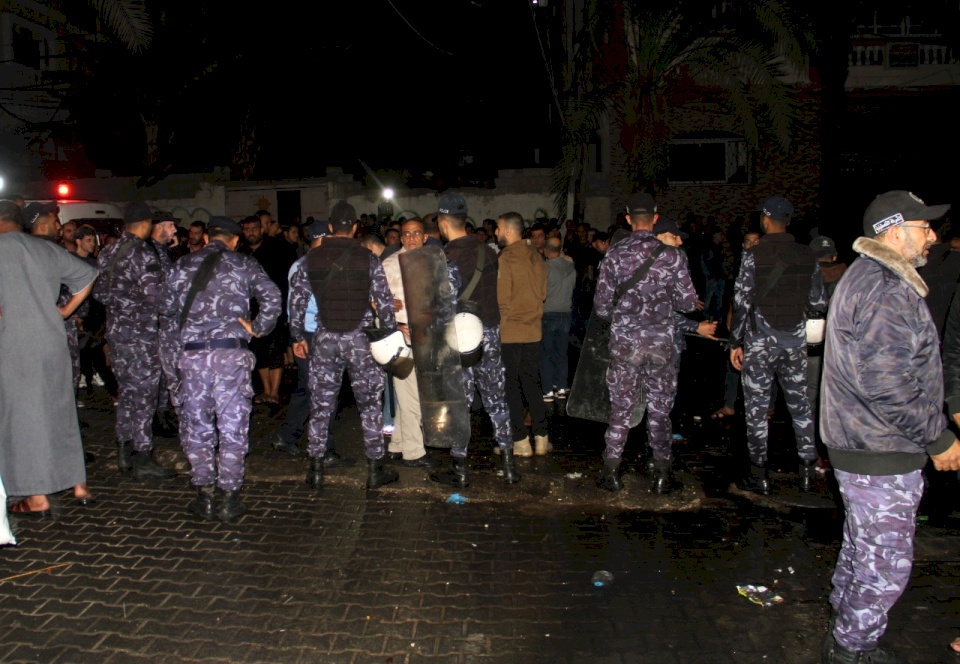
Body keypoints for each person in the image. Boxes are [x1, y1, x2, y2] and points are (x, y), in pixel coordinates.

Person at [821, 190, 960, 664]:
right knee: (884, 564)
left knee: (864, 549)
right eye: (925, 228)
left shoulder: (873, 279)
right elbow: (887, 383)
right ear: (896, 231)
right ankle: (852, 650)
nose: (933, 236)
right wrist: (938, 437)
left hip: (865, 442)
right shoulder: (884, 289)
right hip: (879, 445)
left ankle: (845, 628)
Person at [159, 216, 281, 523]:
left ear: (208, 237)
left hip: (192, 357)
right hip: (230, 355)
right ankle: (229, 498)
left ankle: (205, 496)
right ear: (235, 240)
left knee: (197, 425)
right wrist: (259, 327)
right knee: (232, 425)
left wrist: (173, 365)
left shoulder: (182, 265)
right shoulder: (244, 263)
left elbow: (167, 316)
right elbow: (273, 296)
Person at [288, 201, 399, 491]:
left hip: (325, 336)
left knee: (321, 403)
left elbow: (296, 301)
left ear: (329, 227)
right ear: (353, 227)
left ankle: (315, 469)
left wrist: (297, 336)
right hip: (359, 337)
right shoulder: (367, 258)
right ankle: (375, 469)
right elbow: (384, 302)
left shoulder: (311, 258)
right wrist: (386, 332)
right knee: (370, 404)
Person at [593, 193, 698, 494]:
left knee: (620, 409)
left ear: (627, 219)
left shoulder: (614, 254)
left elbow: (601, 307)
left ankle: (611, 471)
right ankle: (663, 473)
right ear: (654, 218)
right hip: (661, 345)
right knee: (660, 410)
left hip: (626, 343)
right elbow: (689, 302)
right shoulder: (672, 256)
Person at [0, 200, 97, 515]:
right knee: (61, 412)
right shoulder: (47, 249)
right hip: (53, 342)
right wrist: (66, 310)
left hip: (14, 344)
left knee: (22, 418)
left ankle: (36, 496)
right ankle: (79, 484)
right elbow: (87, 274)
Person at [729, 195, 826, 495]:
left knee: (756, 410)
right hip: (794, 341)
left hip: (760, 341)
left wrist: (735, 341)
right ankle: (807, 471)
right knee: (800, 408)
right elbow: (819, 301)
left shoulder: (753, 256)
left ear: (766, 219)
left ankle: (760, 474)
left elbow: (741, 301)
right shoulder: (808, 256)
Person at [438, 193, 519, 483]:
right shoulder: (490, 251)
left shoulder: (447, 258)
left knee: (461, 401)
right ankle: (509, 464)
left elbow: (445, 305)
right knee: (496, 398)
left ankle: (459, 468)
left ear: (443, 222)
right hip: (491, 332)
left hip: (462, 335)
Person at [94, 201, 177, 481]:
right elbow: (158, 298)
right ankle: (143, 456)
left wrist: (121, 305)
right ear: (146, 224)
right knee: (144, 397)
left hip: (116, 333)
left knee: (127, 394)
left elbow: (98, 293)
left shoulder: (109, 250)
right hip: (141, 335)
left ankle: (123, 449)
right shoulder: (142, 253)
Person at [273, 220, 353, 468]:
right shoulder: (305, 266)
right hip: (310, 335)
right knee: (324, 392)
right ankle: (323, 449)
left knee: (308, 389)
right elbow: (294, 307)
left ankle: (286, 436)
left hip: (318, 334)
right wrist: (297, 339)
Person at [381, 218, 440, 469]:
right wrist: (392, 320)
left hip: (426, 335)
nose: (412, 238)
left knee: (409, 393)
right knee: (411, 394)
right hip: (401, 338)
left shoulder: (432, 260)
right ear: (401, 238)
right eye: (407, 234)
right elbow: (373, 302)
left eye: (417, 233)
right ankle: (414, 451)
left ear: (425, 236)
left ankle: (398, 444)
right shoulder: (390, 264)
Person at [497, 211, 550, 456]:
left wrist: (503, 324)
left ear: (509, 230)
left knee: (512, 386)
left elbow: (502, 298)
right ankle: (541, 438)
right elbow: (542, 293)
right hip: (533, 329)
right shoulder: (537, 256)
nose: (496, 233)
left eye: (498, 228)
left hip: (512, 330)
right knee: (532, 383)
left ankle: (520, 441)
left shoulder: (506, 257)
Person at [238, 214, 297, 406]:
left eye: (254, 228)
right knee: (258, 351)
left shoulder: (277, 248)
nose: (251, 233)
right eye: (247, 229)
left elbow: (287, 280)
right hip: (250, 311)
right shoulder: (241, 252)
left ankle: (275, 391)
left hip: (273, 309)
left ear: (262, 229)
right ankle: (265, 389)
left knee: (275, 350)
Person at [540, 239, 576, 402]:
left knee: (546, 353)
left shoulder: (545, 269)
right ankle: (561, 386)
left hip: (548, 314)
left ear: (545, 250)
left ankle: (547, 390)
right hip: (565, 313)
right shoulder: (570, 267)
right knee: (561, 353)